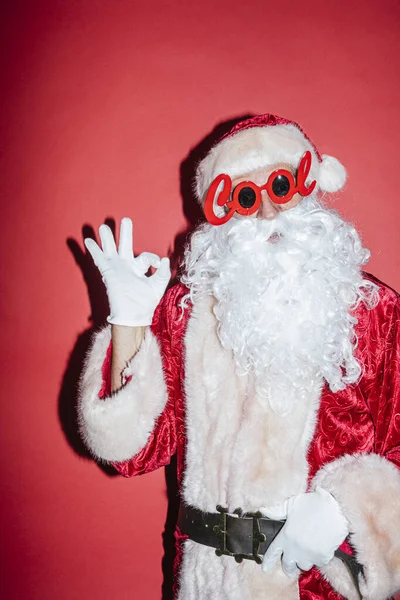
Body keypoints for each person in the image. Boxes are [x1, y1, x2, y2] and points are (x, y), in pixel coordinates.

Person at [78, 113, 400, 600]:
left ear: (310, 185)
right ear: (219, 213)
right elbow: (134, 451)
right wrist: (128, 321)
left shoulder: (375, 309)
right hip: (206, 584)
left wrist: (347, 509)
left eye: (281, 186)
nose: (268, 213)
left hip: (316, 583)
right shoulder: (187, 313)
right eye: (245, 197)